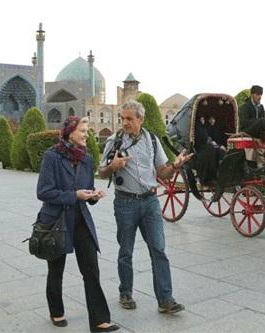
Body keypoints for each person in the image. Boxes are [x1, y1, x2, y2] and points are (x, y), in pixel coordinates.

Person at [98, 100, 192, 314]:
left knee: (158, 250)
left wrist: (175, 165)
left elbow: (162, 172)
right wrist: (113, 166)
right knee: (126, 251)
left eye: (130, 119)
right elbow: (101, 171)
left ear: (141, 119)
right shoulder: (115, 141)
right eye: (123, 119)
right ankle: (126, 292)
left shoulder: (152, 140)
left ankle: (165, 299)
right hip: (125, 203)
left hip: (150, 202)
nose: (125, 123)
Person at [36, 116, 119, 332]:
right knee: (56, 270)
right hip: (57, 221)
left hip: (81, 220)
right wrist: (75, 195)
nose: (86, 134)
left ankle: (100, 320)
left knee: (91, 269)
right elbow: (43, 192)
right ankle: (56, 311)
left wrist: (93, 195)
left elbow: (86, 190)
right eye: (83, 130)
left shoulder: (87, 159)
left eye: (88, 130)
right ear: (70, 131)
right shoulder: (51, 156)